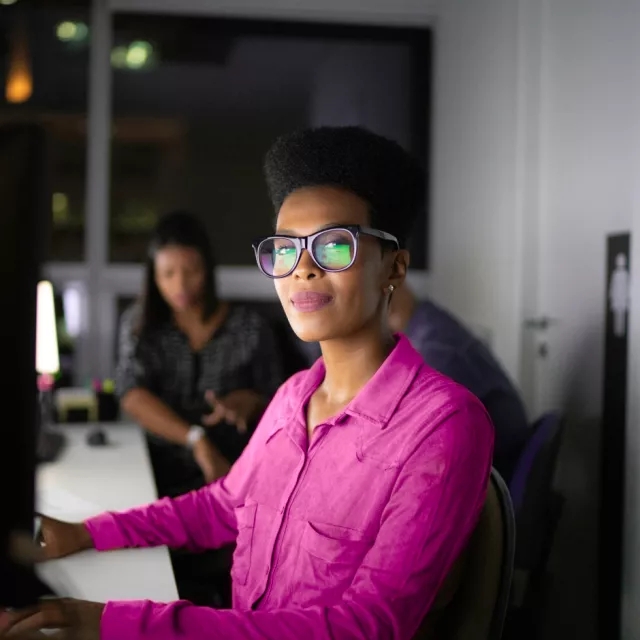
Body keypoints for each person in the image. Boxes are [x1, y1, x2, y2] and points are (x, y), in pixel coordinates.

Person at [1, 127, 494, 640]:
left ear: (394, 267)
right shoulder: (293, 397)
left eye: (333, 245)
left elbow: (366, 628)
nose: (301, 268)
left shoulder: (443, 427)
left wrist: (112, 622)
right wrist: (86, 533)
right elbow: (221, 506)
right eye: (284, 249)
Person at [116, 210, 285, 498]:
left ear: (207, 268)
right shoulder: (141, 325)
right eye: (168, 274)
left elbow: (281, 400)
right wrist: (196, 439)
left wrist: (250, 402)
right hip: (154, 471)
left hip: (233, 474)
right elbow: (131, 394)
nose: (180, 285)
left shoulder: (249, 328)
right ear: (153, 276)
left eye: (191, 271)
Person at [388, 283, 529, 481]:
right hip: (495, 467)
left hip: (494, 478)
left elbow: (420, 453)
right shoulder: (428, 322)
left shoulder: (436, 353)